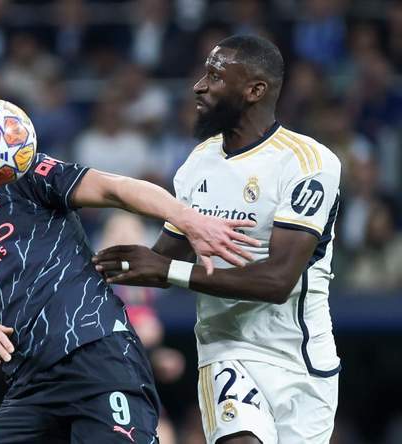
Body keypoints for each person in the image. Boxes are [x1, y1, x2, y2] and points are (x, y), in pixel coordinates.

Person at [0, 119, 259, 443]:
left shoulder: (21, 181)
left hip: (99, 358)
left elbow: (114, 188)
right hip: (31, 390)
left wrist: (188, 219)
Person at [94, 35, 341, 444]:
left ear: (254, 90)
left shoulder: (308, 163)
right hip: (226, 350)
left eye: (215, 76)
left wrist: (166, 269)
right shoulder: (198, 163)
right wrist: (101, 267)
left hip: (302, 359)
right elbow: (161, 260)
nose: (198, 86)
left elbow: (277, 281)